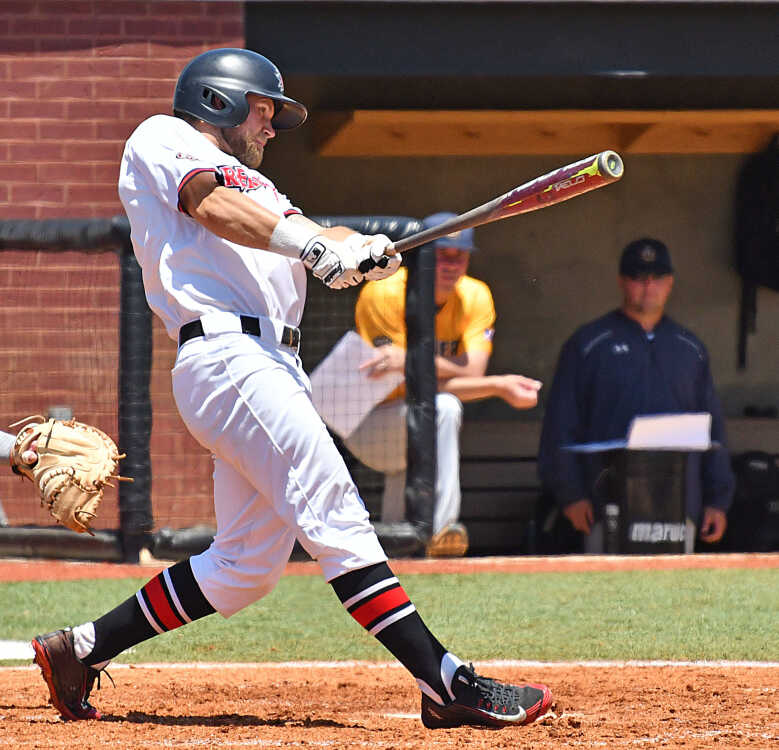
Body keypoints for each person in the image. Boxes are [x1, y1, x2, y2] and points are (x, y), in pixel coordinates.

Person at [29, 48, 551, 729]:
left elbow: (303, 227)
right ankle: (442, 679)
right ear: (219, 99)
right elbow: (212, 204)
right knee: (334, 511)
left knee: (247, 566)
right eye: (264, 111)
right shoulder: (164, 137)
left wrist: (358, 248)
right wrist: (312, 247)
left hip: (268, 365)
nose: (271, 127)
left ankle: (82, 649)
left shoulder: (259, 186)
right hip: (227, 355)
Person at [345, 214, 542, 556]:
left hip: (411, 420)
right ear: (421, 253)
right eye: (442, 253)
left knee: (426, 424)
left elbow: (473, 371)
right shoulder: (384, 292)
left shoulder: (475, 295)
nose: (452, 264)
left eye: (460, 255)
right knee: (442, 408)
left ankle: (401, 553)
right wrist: (492, 384)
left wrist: (411, 362)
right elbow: (403, 384)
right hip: (364, 421)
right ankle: (441, 530)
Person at [538, 237, 735, 553]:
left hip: (679, 502)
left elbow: (712, 430)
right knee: (607, 594)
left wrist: (717, 500)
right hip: (606, 502)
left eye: (656, 277)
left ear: (670, 282)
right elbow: (561, 424)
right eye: (638, 277)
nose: (648, 286)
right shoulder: (589, 344)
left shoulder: (690, 348)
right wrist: (571, 495)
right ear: (621, 281)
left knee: (675, 595)